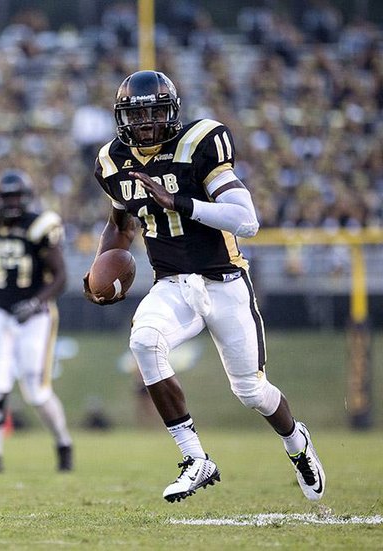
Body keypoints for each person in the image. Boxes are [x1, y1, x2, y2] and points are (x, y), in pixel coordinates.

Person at [86, 70, 325, 502]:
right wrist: (99, 272)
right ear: (121, 119)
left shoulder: (200, 142)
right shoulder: (112, 161)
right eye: (135, 115)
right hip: (173, 283)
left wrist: (177, 201)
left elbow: (246, 219)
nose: (144, 123)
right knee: (144, 341)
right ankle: (196, 458)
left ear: (171, 113)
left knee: (251, 391)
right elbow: (120, 225)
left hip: (224, 280)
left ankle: (296, 443)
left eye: (154, 112)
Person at [0, 170, 73, 474]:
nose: (11, 203)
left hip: (35, 316)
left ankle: (63, 443)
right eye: (6, 197)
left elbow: (61, 277)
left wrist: (36, 302)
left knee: (36, 391)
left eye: (16, 197)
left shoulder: (39, 226)